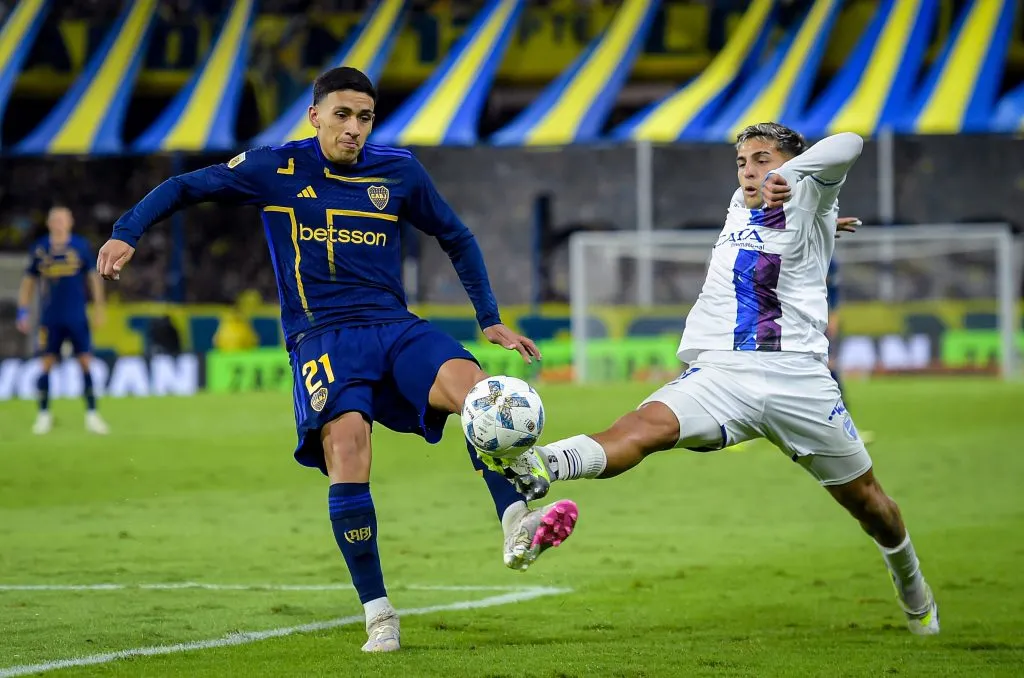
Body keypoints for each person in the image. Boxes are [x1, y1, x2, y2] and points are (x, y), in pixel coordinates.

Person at [95, 67, 579, 653]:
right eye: (343, 115)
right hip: (322, 336)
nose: (354, 129)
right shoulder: (274, 168)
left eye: (365, 117)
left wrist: (489, 318)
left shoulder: (399, 171)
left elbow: (456, 235)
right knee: (347, 446)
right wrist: (127, 231)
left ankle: (515, 523)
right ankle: (379, 613)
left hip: (394, 326)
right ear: (315, 115)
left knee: (479, 392)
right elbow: (183, 187)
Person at [484, 123, 939, 636]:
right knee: (642, 426)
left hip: (799, 380)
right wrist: (811, 216)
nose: (750, 170)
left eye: (762, 159)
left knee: (869, 504)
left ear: (792, 161)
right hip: (721, 372)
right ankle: (540, 467)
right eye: (743, 161)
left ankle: (913, 589)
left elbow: (851, 142)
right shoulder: (740, 203)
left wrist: (801, 188)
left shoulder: (810, 190)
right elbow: (776, 227)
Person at [16, 206, 109, 435]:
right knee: (46, 363)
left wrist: (99, 308)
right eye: (55, 219)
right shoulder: (40, 249)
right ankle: (43, 414)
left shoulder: (80, 246)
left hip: (77, 315)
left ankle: (92, 414)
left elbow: (93, 279)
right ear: (49, 223)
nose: (58, 223)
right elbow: (29, 281)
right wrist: (22, 311)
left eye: (62, 219)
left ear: (70, 222)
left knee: (85, 362)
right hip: (51, 317)